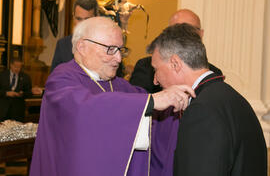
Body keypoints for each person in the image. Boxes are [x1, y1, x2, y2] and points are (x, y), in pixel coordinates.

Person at [30, 17, 195, 176]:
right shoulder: (62, 79)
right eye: (110, 49)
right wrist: (152, 101)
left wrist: (177, 102)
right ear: (82, 47)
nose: (118, 59)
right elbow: (82, 109)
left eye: (120, 50)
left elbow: (153, 112)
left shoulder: (118, 85)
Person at [148, 23, 267, 176]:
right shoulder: (231, 97)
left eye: (156, 69)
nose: (155, 81)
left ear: (175, 64)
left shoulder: (202, 111)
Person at [129, 9, 222, 93]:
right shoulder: (146, 67)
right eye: (176, 30)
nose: (183, 35)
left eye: (189, 30)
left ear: (201, 34)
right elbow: (137, 105)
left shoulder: (213, 73)